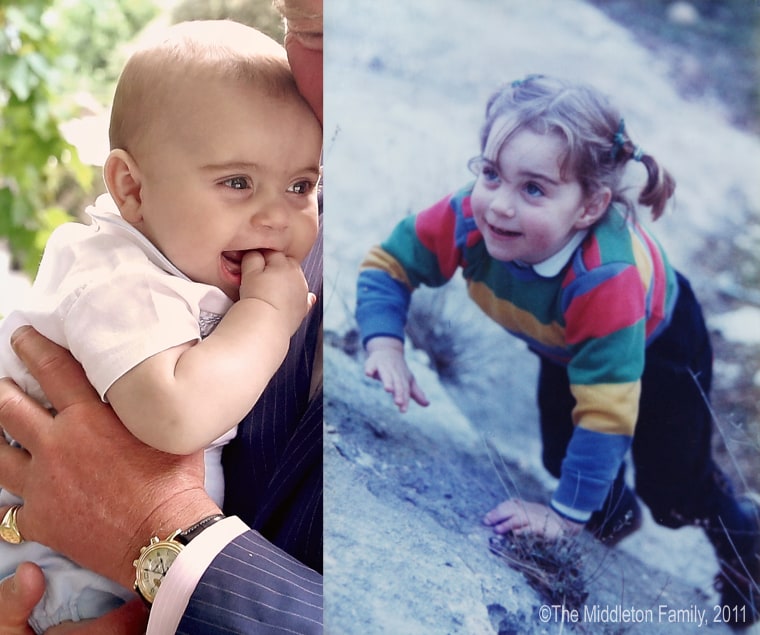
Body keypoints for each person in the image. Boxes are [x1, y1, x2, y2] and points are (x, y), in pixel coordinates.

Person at [355, 75, 759, 628]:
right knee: (559, 458)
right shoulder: (467, 218)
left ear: (590, 206)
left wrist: (563, 518)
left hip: (662, 346)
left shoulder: (604, 279)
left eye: (534, 189)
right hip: (568, 347)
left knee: (675, 493)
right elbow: (388, 265)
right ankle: (611, 516)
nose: (499, 205)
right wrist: (385, 342)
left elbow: (606, 411)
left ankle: (746, 550)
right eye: (492, 174)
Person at [0, 1, 324, 632]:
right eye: (236, 182)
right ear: (132, 188)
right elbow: (176, 416)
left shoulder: (202, 256)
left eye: (302, 186)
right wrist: (262, 314)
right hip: (52, 583)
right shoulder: (119, 277)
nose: (277, 216)